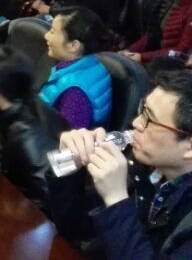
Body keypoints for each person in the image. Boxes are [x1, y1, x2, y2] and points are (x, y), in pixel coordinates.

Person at [46, 70, 192, 258]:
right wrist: (70, 166)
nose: (136, 123)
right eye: (142, 109)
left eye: (149, 119)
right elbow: (75, 228)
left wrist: (116, 200)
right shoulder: (143, 164)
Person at [0, 45, 68, 213]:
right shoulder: (31, 103)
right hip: (20, 171)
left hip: (30, 208)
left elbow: (43, 197)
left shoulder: (21, 133)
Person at [41, 6, 113, 129]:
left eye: (52, 32)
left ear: (73, 45)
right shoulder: (89, 64)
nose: (46, 36)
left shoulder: (75, 93)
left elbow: (67, 138)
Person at [120, 0, 192, 66]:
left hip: (172, 63)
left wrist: (143, 57)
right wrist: (129, 51)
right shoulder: (166, 0)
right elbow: (150, 35)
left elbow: (181, 50)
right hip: (153, 55)